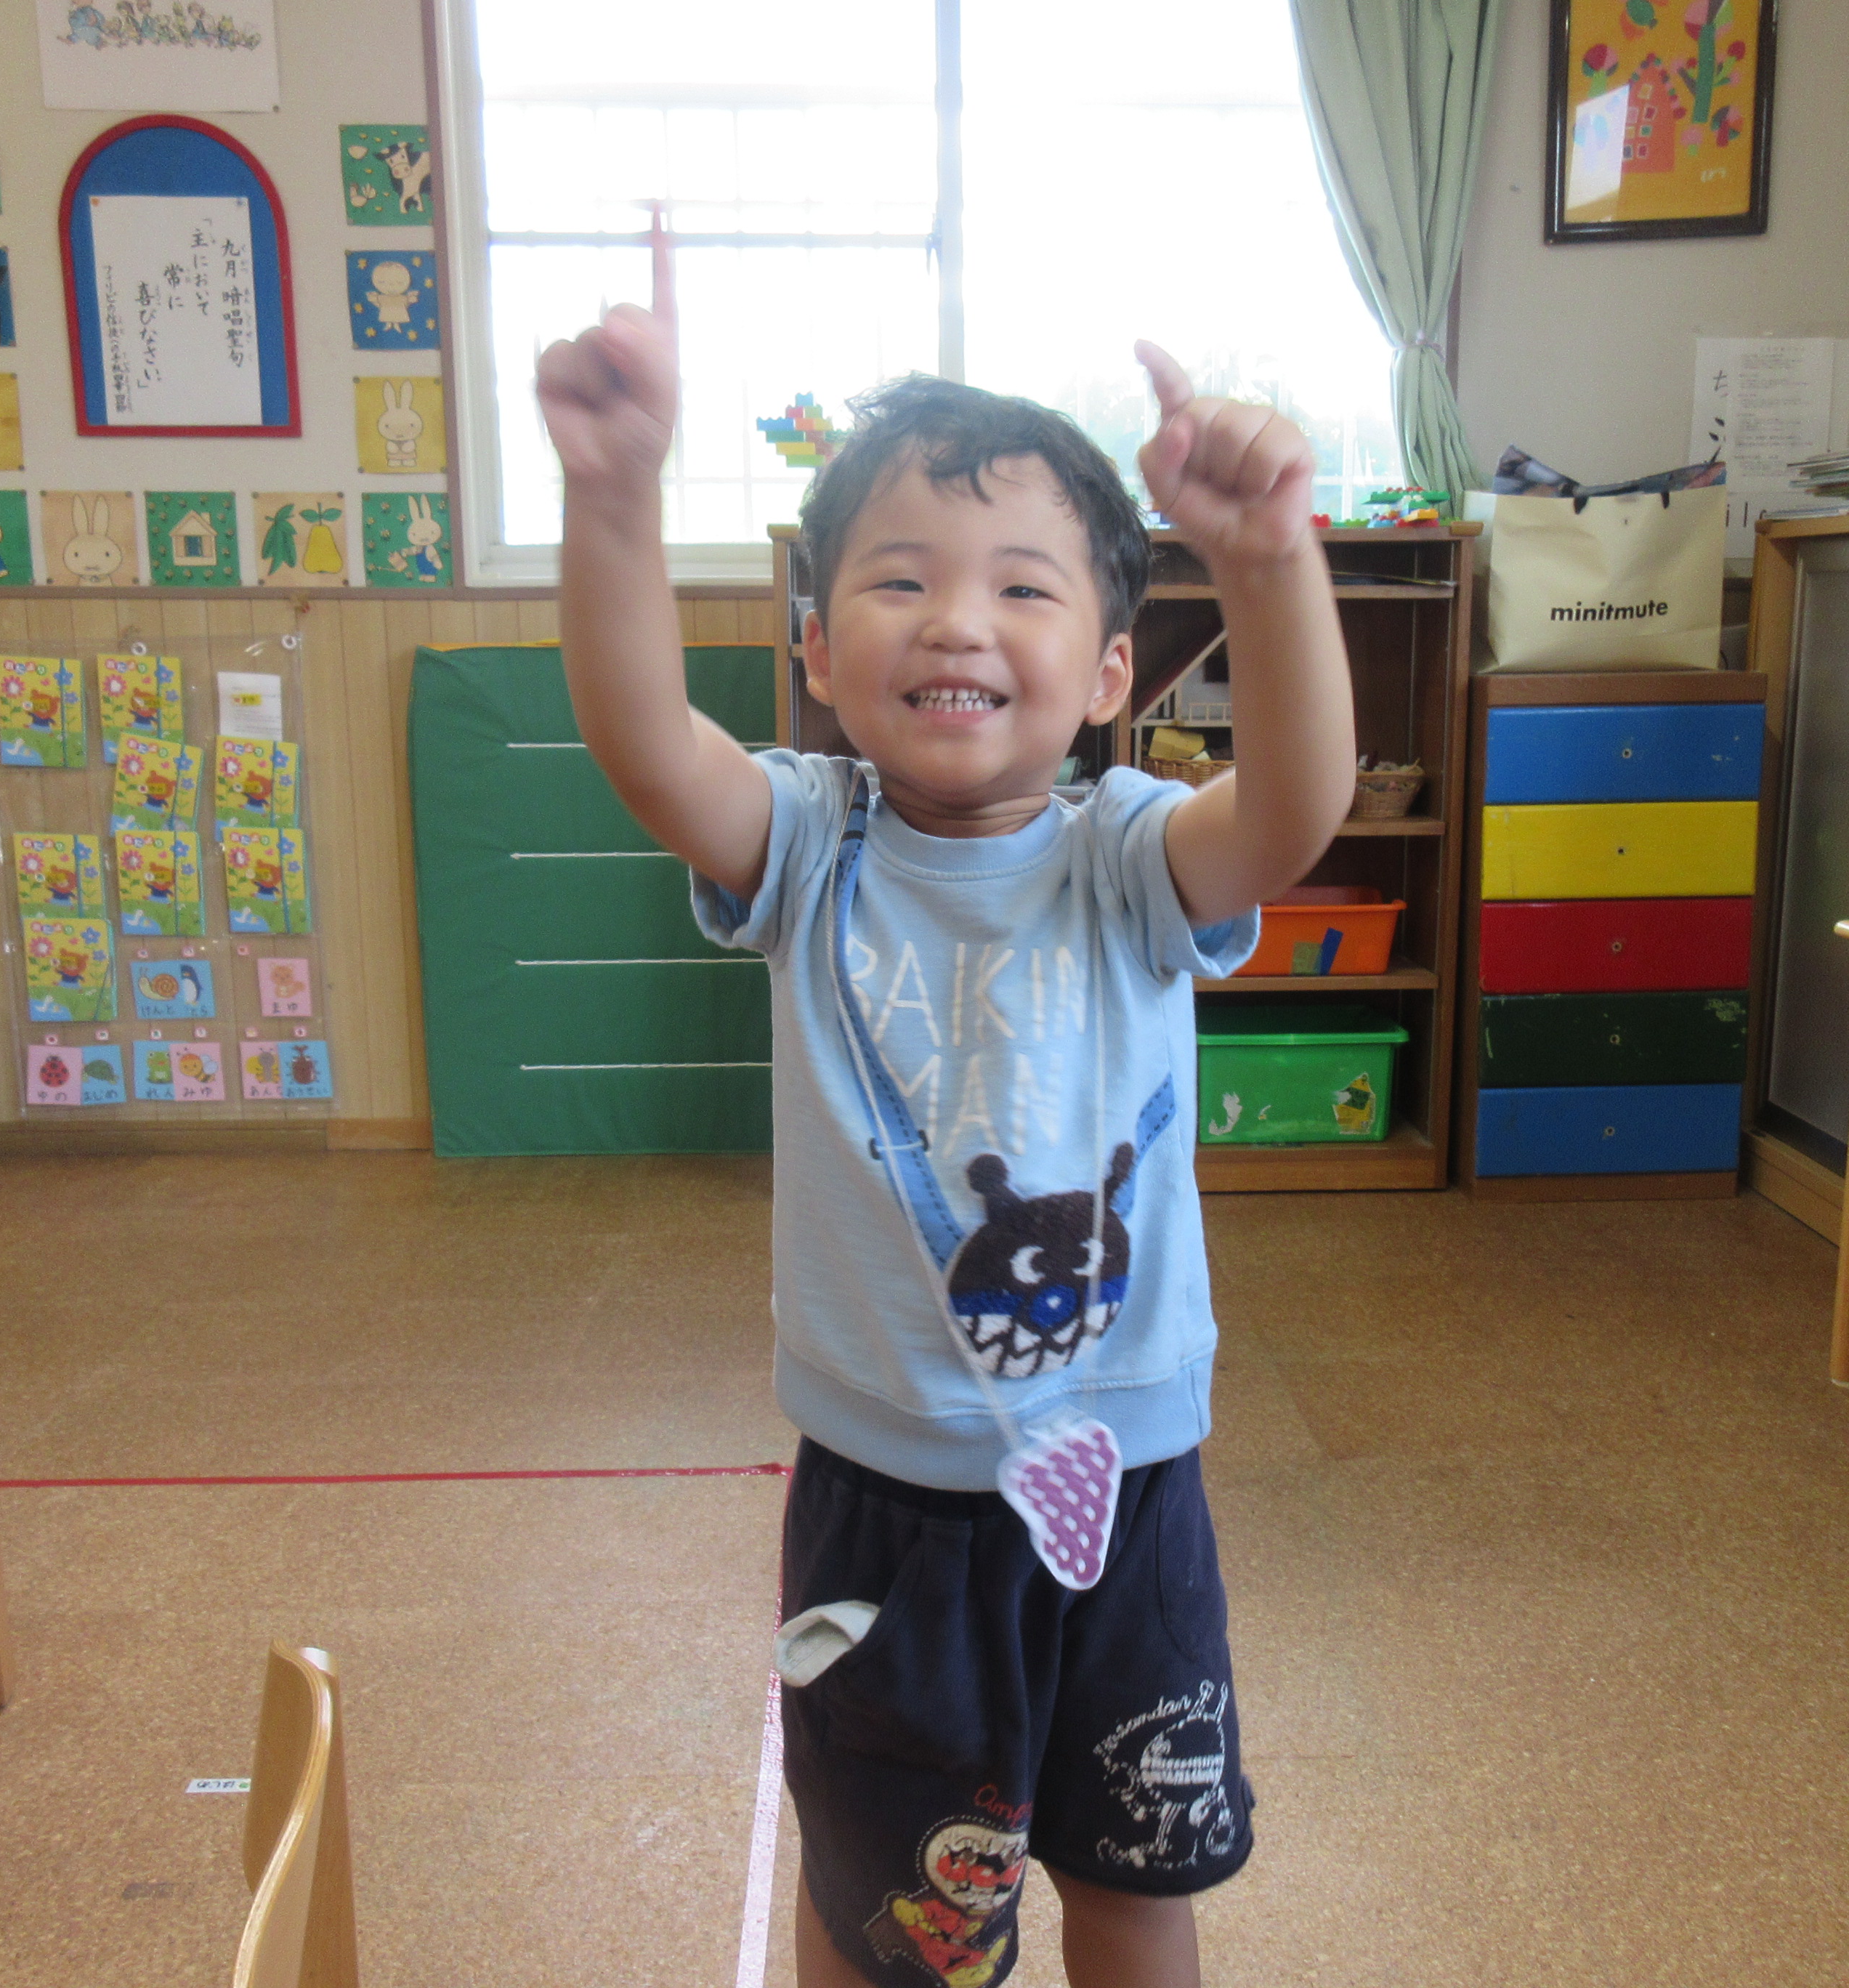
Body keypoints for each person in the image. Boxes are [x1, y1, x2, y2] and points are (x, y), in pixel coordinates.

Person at [537, 219, 1350, 1988]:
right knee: (886, 1915)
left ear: (1113, 674)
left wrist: (1271, 564)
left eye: (1026, 589)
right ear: (821, 651)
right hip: (887, 1498)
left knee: (1137, 1886)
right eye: (900, 582)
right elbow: (644, 742)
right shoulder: (806, 843)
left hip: (1130, 1483)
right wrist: (611, 498)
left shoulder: (1134, 855)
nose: (960, 621)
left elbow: (1294, 808)